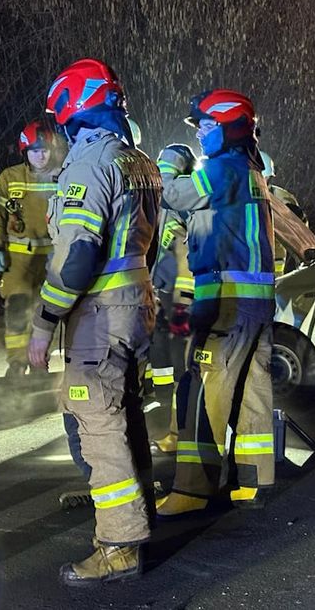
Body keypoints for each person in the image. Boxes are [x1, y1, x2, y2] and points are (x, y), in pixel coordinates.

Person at [29, 58, 161, 585]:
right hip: (134, 307)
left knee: (99, 426)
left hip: (99, 316)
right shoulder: (138, 162)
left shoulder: (88, 163)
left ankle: (118, 546)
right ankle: (135, 511)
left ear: (70, 108)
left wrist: (44, 322)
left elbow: (78, 255)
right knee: (126, 414)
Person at [157, 89, 276, 516]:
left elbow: (177, 196)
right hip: (254, 302)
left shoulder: (224, 168)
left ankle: (192, 489)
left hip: (227, 302)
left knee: (202, 390)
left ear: (229, 129)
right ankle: (252, 481)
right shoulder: (249, 169)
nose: (202, 136)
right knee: (250, 391)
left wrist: (167, 167)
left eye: (207, 127)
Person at [0, 118, 64, 378]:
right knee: (18, 310)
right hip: (18, 258)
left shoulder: (63, 175)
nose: (39, 156)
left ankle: (40, 361)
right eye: (34, 150)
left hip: (53, 258)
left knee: (47, 312)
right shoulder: (10, 177)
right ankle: (17, 363)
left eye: (43, 150)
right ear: (25, 152)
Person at [146, 143, 198, 453]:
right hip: (163, 291)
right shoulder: (166, 199)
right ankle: (169, 418)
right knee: (162, 355)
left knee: (182, 366)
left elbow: (186, 259)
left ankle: (182, 434)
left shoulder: (181, 204)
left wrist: (182, 302)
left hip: (179, 296)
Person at [260, 151, 308, 276]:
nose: (261, 181)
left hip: (275, 270)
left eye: (264, 177)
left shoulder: (281, 197)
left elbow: (302, 235)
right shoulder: (235, 196)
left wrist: (299, 219)